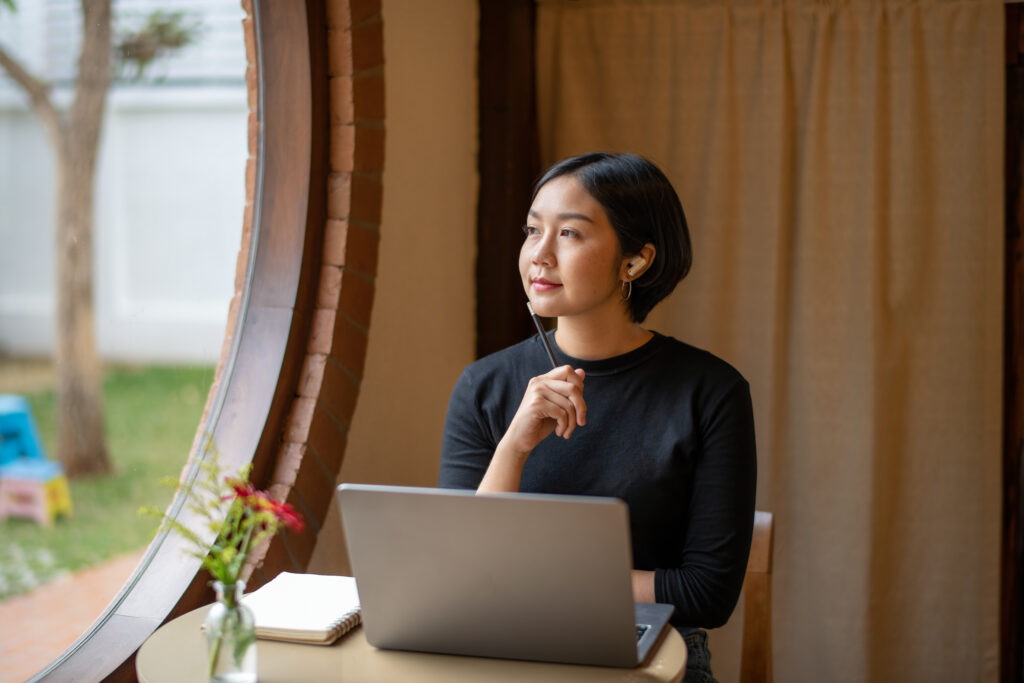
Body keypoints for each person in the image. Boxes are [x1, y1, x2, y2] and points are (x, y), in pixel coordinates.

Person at [438, 152, 756, 683]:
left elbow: (706, 594)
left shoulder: (711, 392)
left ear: (634, 261)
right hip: (507, 649)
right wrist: (513, 446)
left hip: (654, 657)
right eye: (533, 230)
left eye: (569, 234)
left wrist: (535, 578)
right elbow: (458, 571)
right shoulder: (484, 386)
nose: (539, 255)